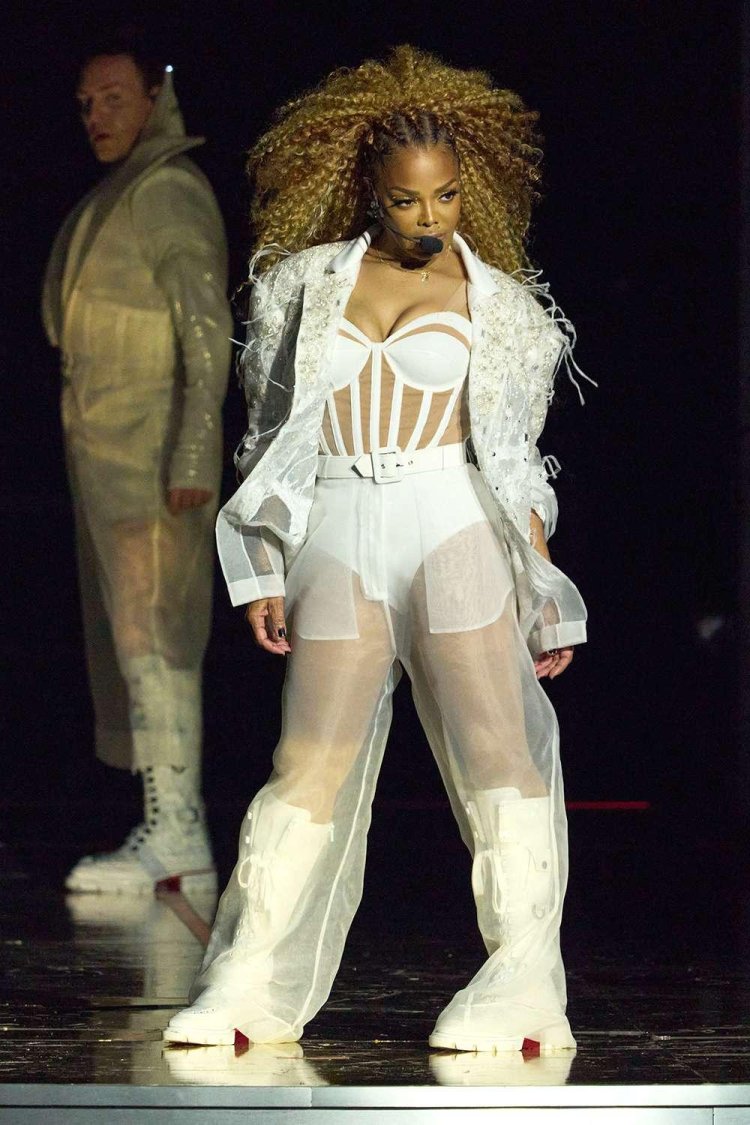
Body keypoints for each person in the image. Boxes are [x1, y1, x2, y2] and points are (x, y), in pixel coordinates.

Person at [165, 45, 589, 1053]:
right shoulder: (302, 288)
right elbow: (271, 437)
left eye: (446, 195)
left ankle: (525, 982)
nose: (428, 216)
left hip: (450, 521)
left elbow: (514, 461)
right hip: (339, 526)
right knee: (306, 758)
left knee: (495, 752)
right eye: (406, 199)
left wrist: (540, 592)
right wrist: (263, 561)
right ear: (368, 187)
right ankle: (247, 981)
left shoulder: (503, 308)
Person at [42, 38, 232, 894]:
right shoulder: (119, 195)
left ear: (155, 98)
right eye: (87, 104)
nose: (97, 116)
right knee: (135, 639)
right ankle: (168, 822)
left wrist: (194, 447)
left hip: (155, 452)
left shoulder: (167, 190)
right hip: (113, 454)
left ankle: (178, 828)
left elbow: (206, 328)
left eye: (114, 98)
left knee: (158, 638)